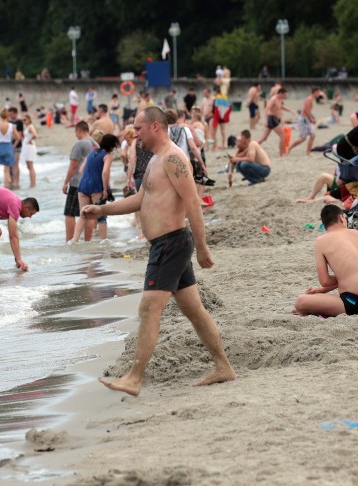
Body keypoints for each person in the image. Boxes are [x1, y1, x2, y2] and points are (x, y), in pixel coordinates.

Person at [82, 106, 235, 396]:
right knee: (195, 311)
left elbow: (193, 203)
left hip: (171, 243)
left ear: (155, 127)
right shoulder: (154, 159)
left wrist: (202, 248)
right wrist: (101, 210)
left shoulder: (174, 158)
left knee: (149, 308)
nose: (134, 133)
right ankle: (223, 367)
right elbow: (141, 199)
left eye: (138, 128)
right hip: (165, 244)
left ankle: (134, 378)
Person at [292, 205, 358, 316]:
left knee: (301, 302)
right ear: (342, 218)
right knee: (316, 300)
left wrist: (322, 288)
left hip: (353, 303)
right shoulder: (355, 234)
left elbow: (325, 281)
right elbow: (353, 274)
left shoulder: (321, 242)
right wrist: (321, 290)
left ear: (324, 225)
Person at [71, 134, 120, 243]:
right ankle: (104, 241)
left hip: (83, 186)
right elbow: (105, 172)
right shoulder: (107, 156)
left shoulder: (91, 152)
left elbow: (81, 170)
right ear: (112, 146)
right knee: (101, 216)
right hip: (96, 187)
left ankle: (74, 240)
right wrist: (105, 189)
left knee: (82, 215)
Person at [62, 121, 97, 242]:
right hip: (93, 183)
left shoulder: (80, 144)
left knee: (69, 213)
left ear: (79, 130)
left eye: (76, 133)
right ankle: (88, 241)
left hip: (78, 182)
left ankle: (70, 241)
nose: (76, 135)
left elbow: (73, 165)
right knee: (89, 213)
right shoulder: (95, 144)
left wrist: (66, 182)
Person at [286, 87, 320, 155]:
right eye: (318, 92)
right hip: (304, 119)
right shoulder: (309, 99)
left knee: (312, 136)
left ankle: (308, 152)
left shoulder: (311, 99)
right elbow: (306, 110)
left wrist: (311, 118)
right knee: (303, 138)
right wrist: (311, 119)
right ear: (315, 92)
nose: (319, 94)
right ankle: (289, 148)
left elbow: (308, 110)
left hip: (306, 119)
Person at [8, 107, 25, 189]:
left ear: (15, 113)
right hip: (9, 145)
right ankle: (11, 180)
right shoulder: (9, 121)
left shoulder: (19, 122)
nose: (10, 115)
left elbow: (20, 135)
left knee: (15, 164)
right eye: (9, 114)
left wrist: (14, 145)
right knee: (10, 165)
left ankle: (16, 181)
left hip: (17, 146)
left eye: (11, 114)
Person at [21, 114, 39, 188]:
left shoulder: (30, 126)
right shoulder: (27, 127)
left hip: (29, 147)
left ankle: (33, 183)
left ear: (29, 119)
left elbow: (35, 135)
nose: (24, 121)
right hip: (27, 147)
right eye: (23, 120)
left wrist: (30, 140)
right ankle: (32, 182)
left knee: (30, 165)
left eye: (25, 120)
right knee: (29, 165)